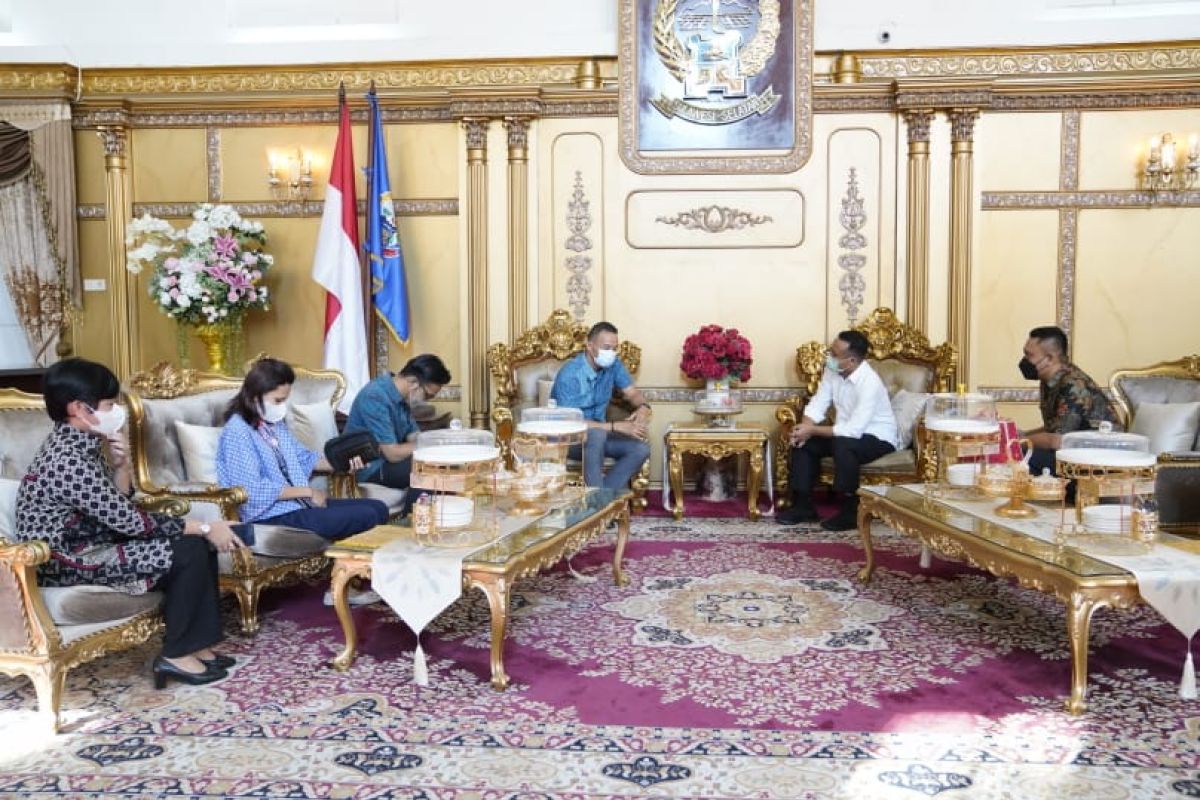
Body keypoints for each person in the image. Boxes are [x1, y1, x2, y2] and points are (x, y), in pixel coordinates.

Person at [15, 358, 245, 689]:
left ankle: (197, 644)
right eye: (109, 404)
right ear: (80, 408)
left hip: (96, 542)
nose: (116, 410)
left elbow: (114, 504)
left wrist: (121, 465)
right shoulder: (65, 460)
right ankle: (176, 654)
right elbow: (130, 521)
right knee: (189, 549)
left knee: (194, 545)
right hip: (67, 559)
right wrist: (206, 526)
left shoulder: (82, 443)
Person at [216, 358, 390, 606]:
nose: (282, 406)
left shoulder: (274, 425)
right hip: (269, 514)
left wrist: (346, 461)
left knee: (377, 508)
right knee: (365, 515)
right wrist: (307, 491)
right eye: (278, 400)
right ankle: (341, 588)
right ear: (255, 396)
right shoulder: (238, 431)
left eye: (284, 399)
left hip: (298, 505)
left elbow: (305, 460)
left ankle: (349, 581)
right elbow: (251, 489)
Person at [778, 330, 900, 531]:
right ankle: (803, 505)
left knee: (845, 445)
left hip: (878, 438)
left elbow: (853, 430)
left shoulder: (869, 382)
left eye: (834, 354)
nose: (829, 357)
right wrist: (804, 428)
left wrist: (812, 429)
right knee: (804, 442)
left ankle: (851, 511)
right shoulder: (833, 370)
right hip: (845, 433)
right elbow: (818, 403)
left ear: (851, 361)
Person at [550, 321, 652, 490]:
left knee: (640, 449)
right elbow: (570, 423)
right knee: (596, 435)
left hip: (599, 437)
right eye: (606, 348)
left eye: (614, 348)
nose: (611, 353)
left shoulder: (613, 365)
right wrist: (615, 426)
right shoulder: (569, 375)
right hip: (567, 441)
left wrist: (643, 407)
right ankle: (599, 508)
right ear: (590, 346)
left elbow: (632, 393)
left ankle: (600, 501)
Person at [343, 354, 452, 505]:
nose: (426, 401)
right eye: (427, 395)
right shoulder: (375, 396)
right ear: (413, 382)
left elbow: (414, 436)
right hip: (370, 468)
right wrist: (430, 444)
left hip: (390, 463)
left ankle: (432, 518)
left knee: (442, 462)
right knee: (427, 469)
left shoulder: (403, 398)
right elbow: (392, 453)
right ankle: (415, 522)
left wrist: (438, 442)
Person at [1018, 325, 1118, 476]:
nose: (1025, 360)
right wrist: (1021, 434)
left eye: (1029, 355)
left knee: (1022, 457)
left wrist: (1018, 441)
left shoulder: (1073, 385)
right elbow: (1053, 428)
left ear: (1049, 358)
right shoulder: (1050, 380)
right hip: (1074, 456)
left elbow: (1056, 440)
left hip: (1097, 465)